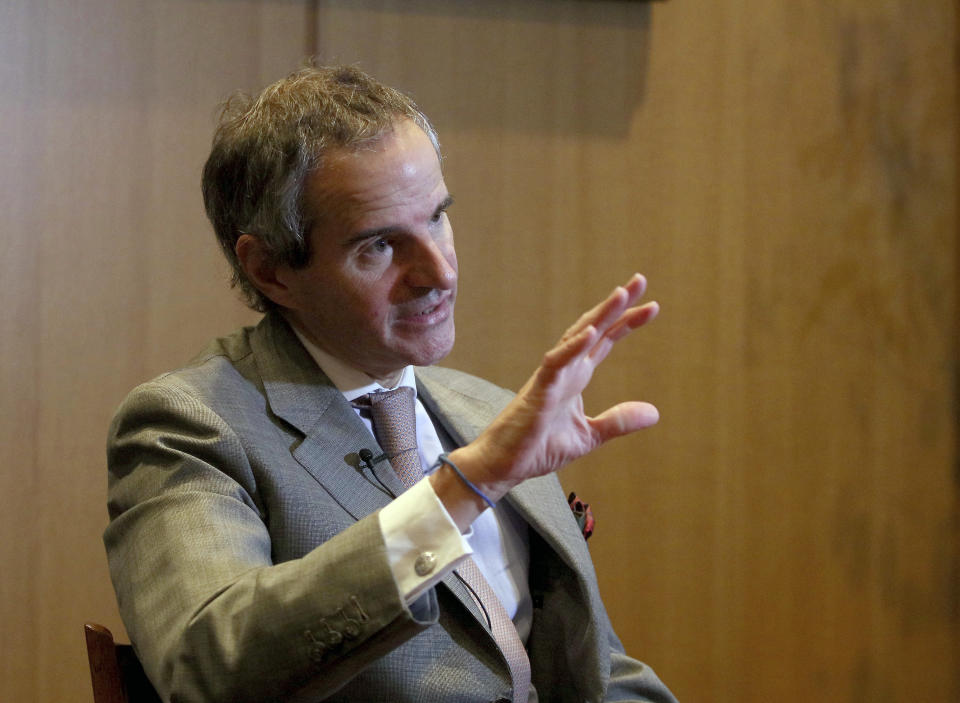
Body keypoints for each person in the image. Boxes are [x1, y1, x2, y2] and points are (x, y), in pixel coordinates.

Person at [104, 64, 678, 703]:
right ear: (270, 270)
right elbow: (210, 665)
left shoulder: (486, 412)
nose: (438, 272)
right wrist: (464, 488)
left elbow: (597, 672)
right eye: (379, 245)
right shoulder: (190, 425)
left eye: (437, 218)